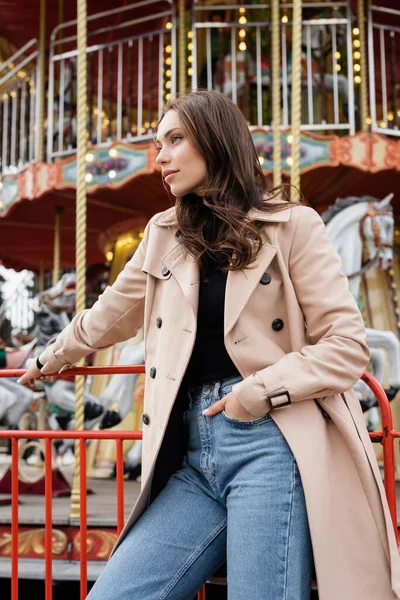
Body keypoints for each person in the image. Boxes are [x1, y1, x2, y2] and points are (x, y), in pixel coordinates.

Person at [18, 90, 400, 600]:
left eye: (175, 140)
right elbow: (109, 315)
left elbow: (347, 344)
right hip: (194, 453)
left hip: (271, 441)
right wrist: (48, 356)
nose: (161, 157)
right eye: (158, 145)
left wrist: (258, 391)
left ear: (216, 141)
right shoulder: (163, 235)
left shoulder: (293, 226)